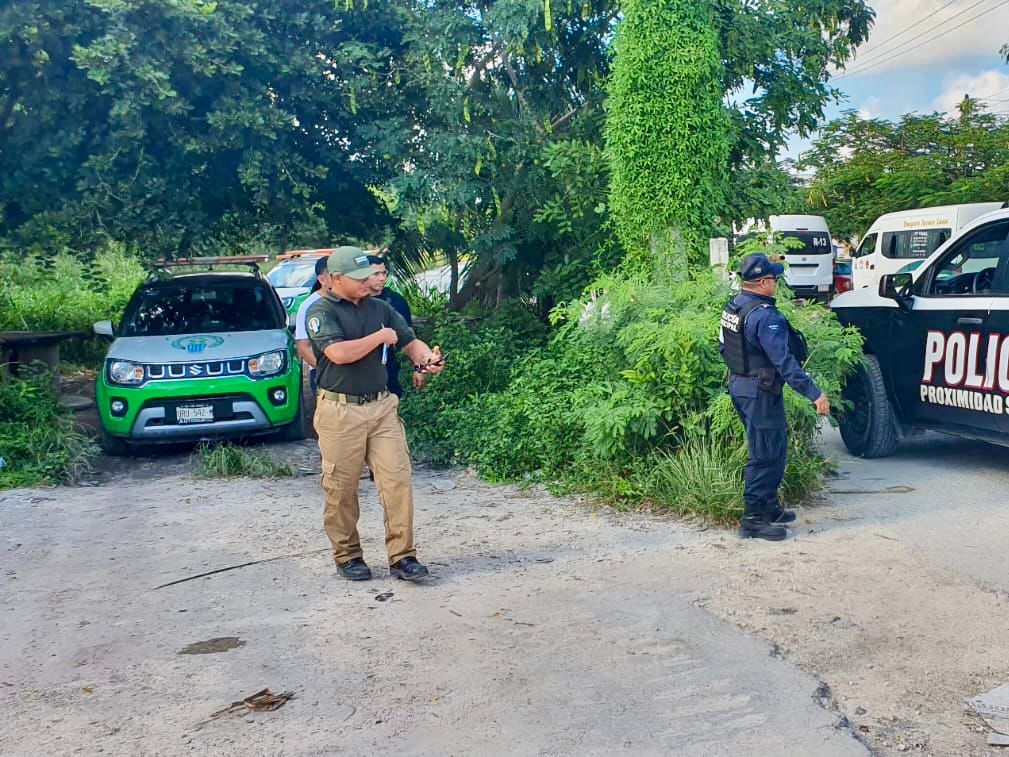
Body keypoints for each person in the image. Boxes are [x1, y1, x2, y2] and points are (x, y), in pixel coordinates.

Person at [306, 246, 445, 581]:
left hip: (382, 406)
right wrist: (379, 337)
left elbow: (410, 342)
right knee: (341, 488)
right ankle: (348, 555)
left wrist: (428, 359)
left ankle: (403, 556)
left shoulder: (381, 308)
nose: (367, 283)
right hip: (340, 410)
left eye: (367, 276)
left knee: (397, 481)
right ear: (336, 279)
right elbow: (338, 353)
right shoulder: (321, 311)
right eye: (358, 279)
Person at [719, 253, 831, 541]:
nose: (777, 283)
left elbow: (725, 348)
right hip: (759, 391)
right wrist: (814, 393)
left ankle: (768, 506)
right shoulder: (765, 316)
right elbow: (785, 362)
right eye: (774, 278)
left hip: (742, 386)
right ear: (763, 282)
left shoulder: (736, 306)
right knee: (764, 453)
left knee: (775, 445)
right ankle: (753, 520)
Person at [364, 254, 425, 396]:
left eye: (384, 273)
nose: (382, 278)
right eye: (376, 274)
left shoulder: (395, 301)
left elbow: (409, 338)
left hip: (388, 367)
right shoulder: (353, 302)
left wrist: (419, 366)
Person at [294, 255, 330, 396]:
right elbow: (303, 347)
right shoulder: (309, 305)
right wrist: (325, 370)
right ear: (322, 279)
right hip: (323, 373)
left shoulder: (352, 301)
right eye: (334, 275)